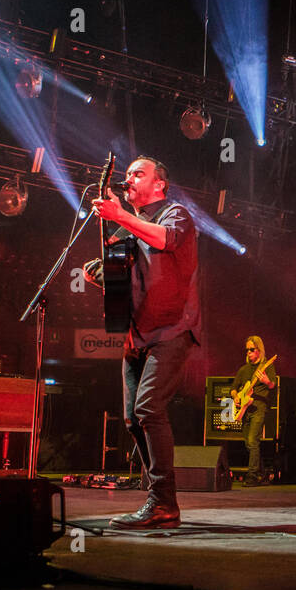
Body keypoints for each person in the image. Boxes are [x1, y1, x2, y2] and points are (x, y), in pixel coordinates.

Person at [88, 155, 200, 529]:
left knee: (149, 409)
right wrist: (102, 274)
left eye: (138, 173)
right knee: (132, 418)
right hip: (135, 335)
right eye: (128, 174)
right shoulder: (126, 227)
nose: (130, 179)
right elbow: (125, 280)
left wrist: (120, 216)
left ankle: (164, 503)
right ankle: (158, 499)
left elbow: (164, 241)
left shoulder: (175, 213)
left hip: (171, 329)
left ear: (159, 184)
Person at [230, 336, 277, 485]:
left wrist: (265, 381)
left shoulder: (267, 366)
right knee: (249, 444)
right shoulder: (243, 370)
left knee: (252, 440)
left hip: (259, 408)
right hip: (245, 409)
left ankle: (252, 475)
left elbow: (272, 386)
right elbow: (233, 388)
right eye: (247, 350)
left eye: (252, 349)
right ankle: (262, 474)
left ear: (259, 350)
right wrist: (236, 396)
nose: (249, 352)